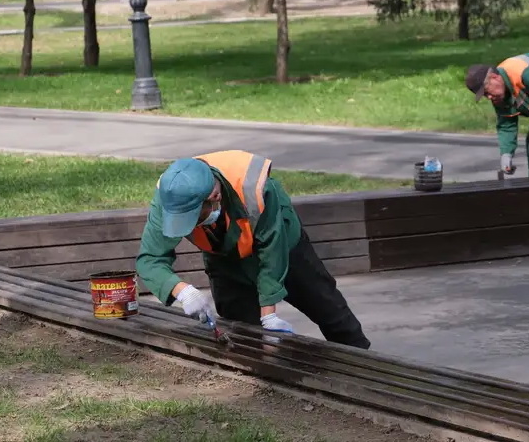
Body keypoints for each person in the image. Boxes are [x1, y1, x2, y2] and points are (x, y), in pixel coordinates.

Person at [135, 149, 371, 349]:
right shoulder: (171, 198)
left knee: (333, 315)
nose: (188, 226)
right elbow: (150, 259)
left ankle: (368, 371)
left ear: (214, 196)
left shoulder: (256, 189)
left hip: (285, 248)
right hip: (225, 256)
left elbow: (272, 251)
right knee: (244, 335)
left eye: (193, 218)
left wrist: (269, 315)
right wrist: (182, 291)